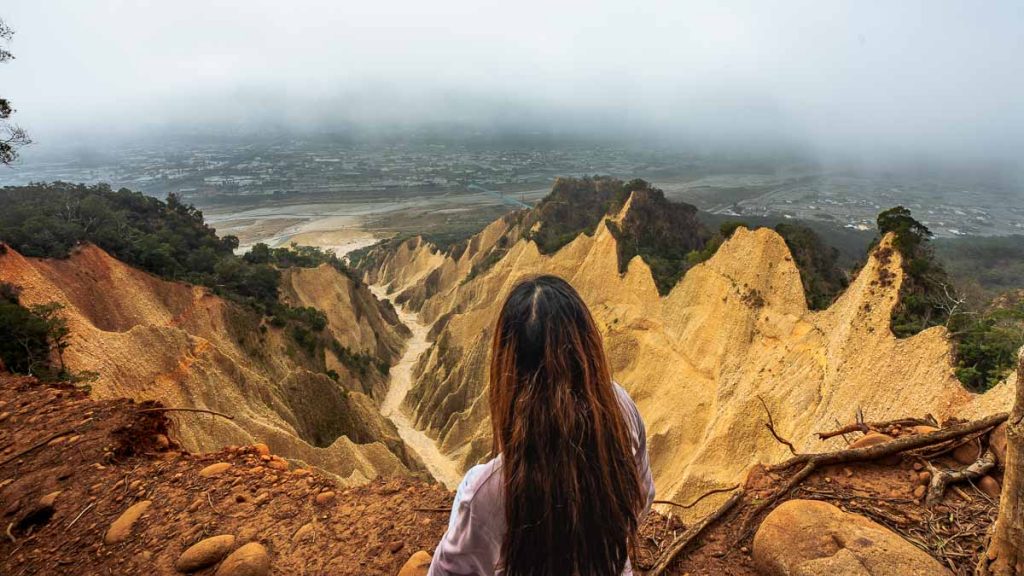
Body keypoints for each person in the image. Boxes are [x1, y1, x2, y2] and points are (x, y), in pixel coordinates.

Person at [428, 275, 655, 576]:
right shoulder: (620, 409)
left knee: (467, 485)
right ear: (587, 351)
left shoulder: (492, 490)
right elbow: (643, 496)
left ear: (508, 369)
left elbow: (449, 573)